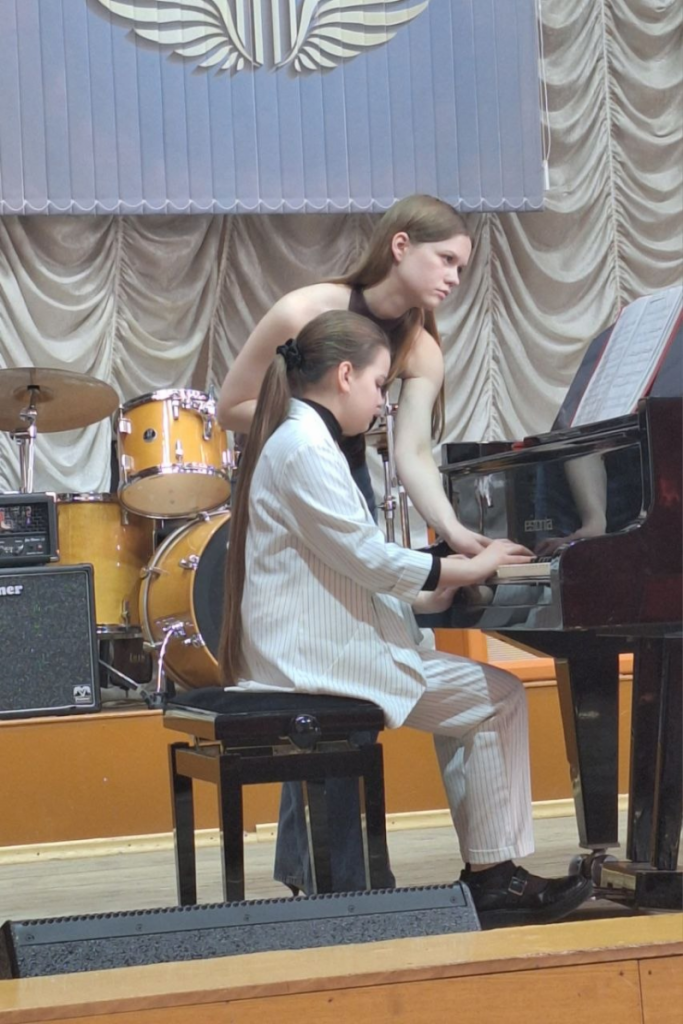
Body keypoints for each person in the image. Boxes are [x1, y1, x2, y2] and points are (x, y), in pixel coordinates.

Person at [218, 310, 593, 928]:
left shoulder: (298, 438)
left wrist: (427, 596)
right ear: (344, 375)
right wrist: (466, 569)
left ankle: (493, 875)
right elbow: (367, 558)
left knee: (483, 697)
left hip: (317, 644)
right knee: (496, 699)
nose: (381, 403)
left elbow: (341, 567)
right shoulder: (305, 447)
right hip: (317, 661)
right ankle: (493, 879)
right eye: (378, 385)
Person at [217, 195, 495, 894]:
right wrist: (311, 430)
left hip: (343, 481)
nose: (453, 278)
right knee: (325, 666)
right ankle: (337, 878)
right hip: (300, 467)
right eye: (446, 260)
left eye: (462, 268)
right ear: (400, 246)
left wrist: (456, 536)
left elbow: (413, 455)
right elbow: (230, 406)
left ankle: (334, 875)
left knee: (346, 666)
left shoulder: (420, 345)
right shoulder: (304, 310)